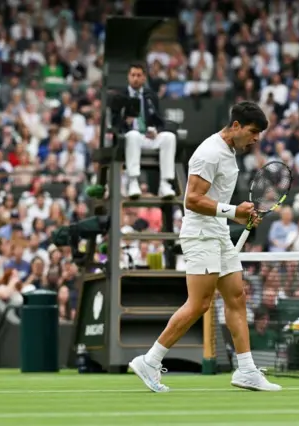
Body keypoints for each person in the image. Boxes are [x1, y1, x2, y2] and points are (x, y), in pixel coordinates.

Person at [128, 102, 281, 392]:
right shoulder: (210, 153)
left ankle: (246, 370)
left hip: (218, 232)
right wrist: (235, 211)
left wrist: (239, 214)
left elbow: (217, 202)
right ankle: (150, 360)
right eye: (252, 132)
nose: (256, 138)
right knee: (199, 303)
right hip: (200, 234)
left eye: (259, 134)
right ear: (235, 126)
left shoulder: (229, 152)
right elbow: (192, 200)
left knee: (237, 297)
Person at [122, 62, 177, 199]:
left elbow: (160, 120)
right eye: (133, 75)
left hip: (147, 137)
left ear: (144, 78)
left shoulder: (150, 96)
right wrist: (124, 122)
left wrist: (156, 130)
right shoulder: (121, 96)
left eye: (138, 75)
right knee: (133, 135)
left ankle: (165, 184)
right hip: (129, 138)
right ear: (128, 77)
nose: (135, 78)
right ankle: (133, 181)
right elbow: (114, 122)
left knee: (169, 137)